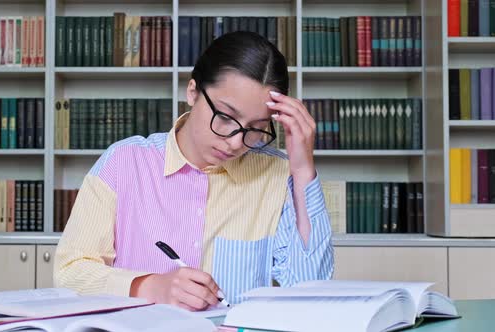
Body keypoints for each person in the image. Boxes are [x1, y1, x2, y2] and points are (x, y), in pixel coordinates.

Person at [54, 31, 333, 311]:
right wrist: (148, 286)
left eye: (256, 128)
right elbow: (69, 274)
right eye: (225, 117)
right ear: (192, 92)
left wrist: (302, 168)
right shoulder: (125, 163)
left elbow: (311, 292)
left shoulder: (276, 174)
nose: (237, 142)